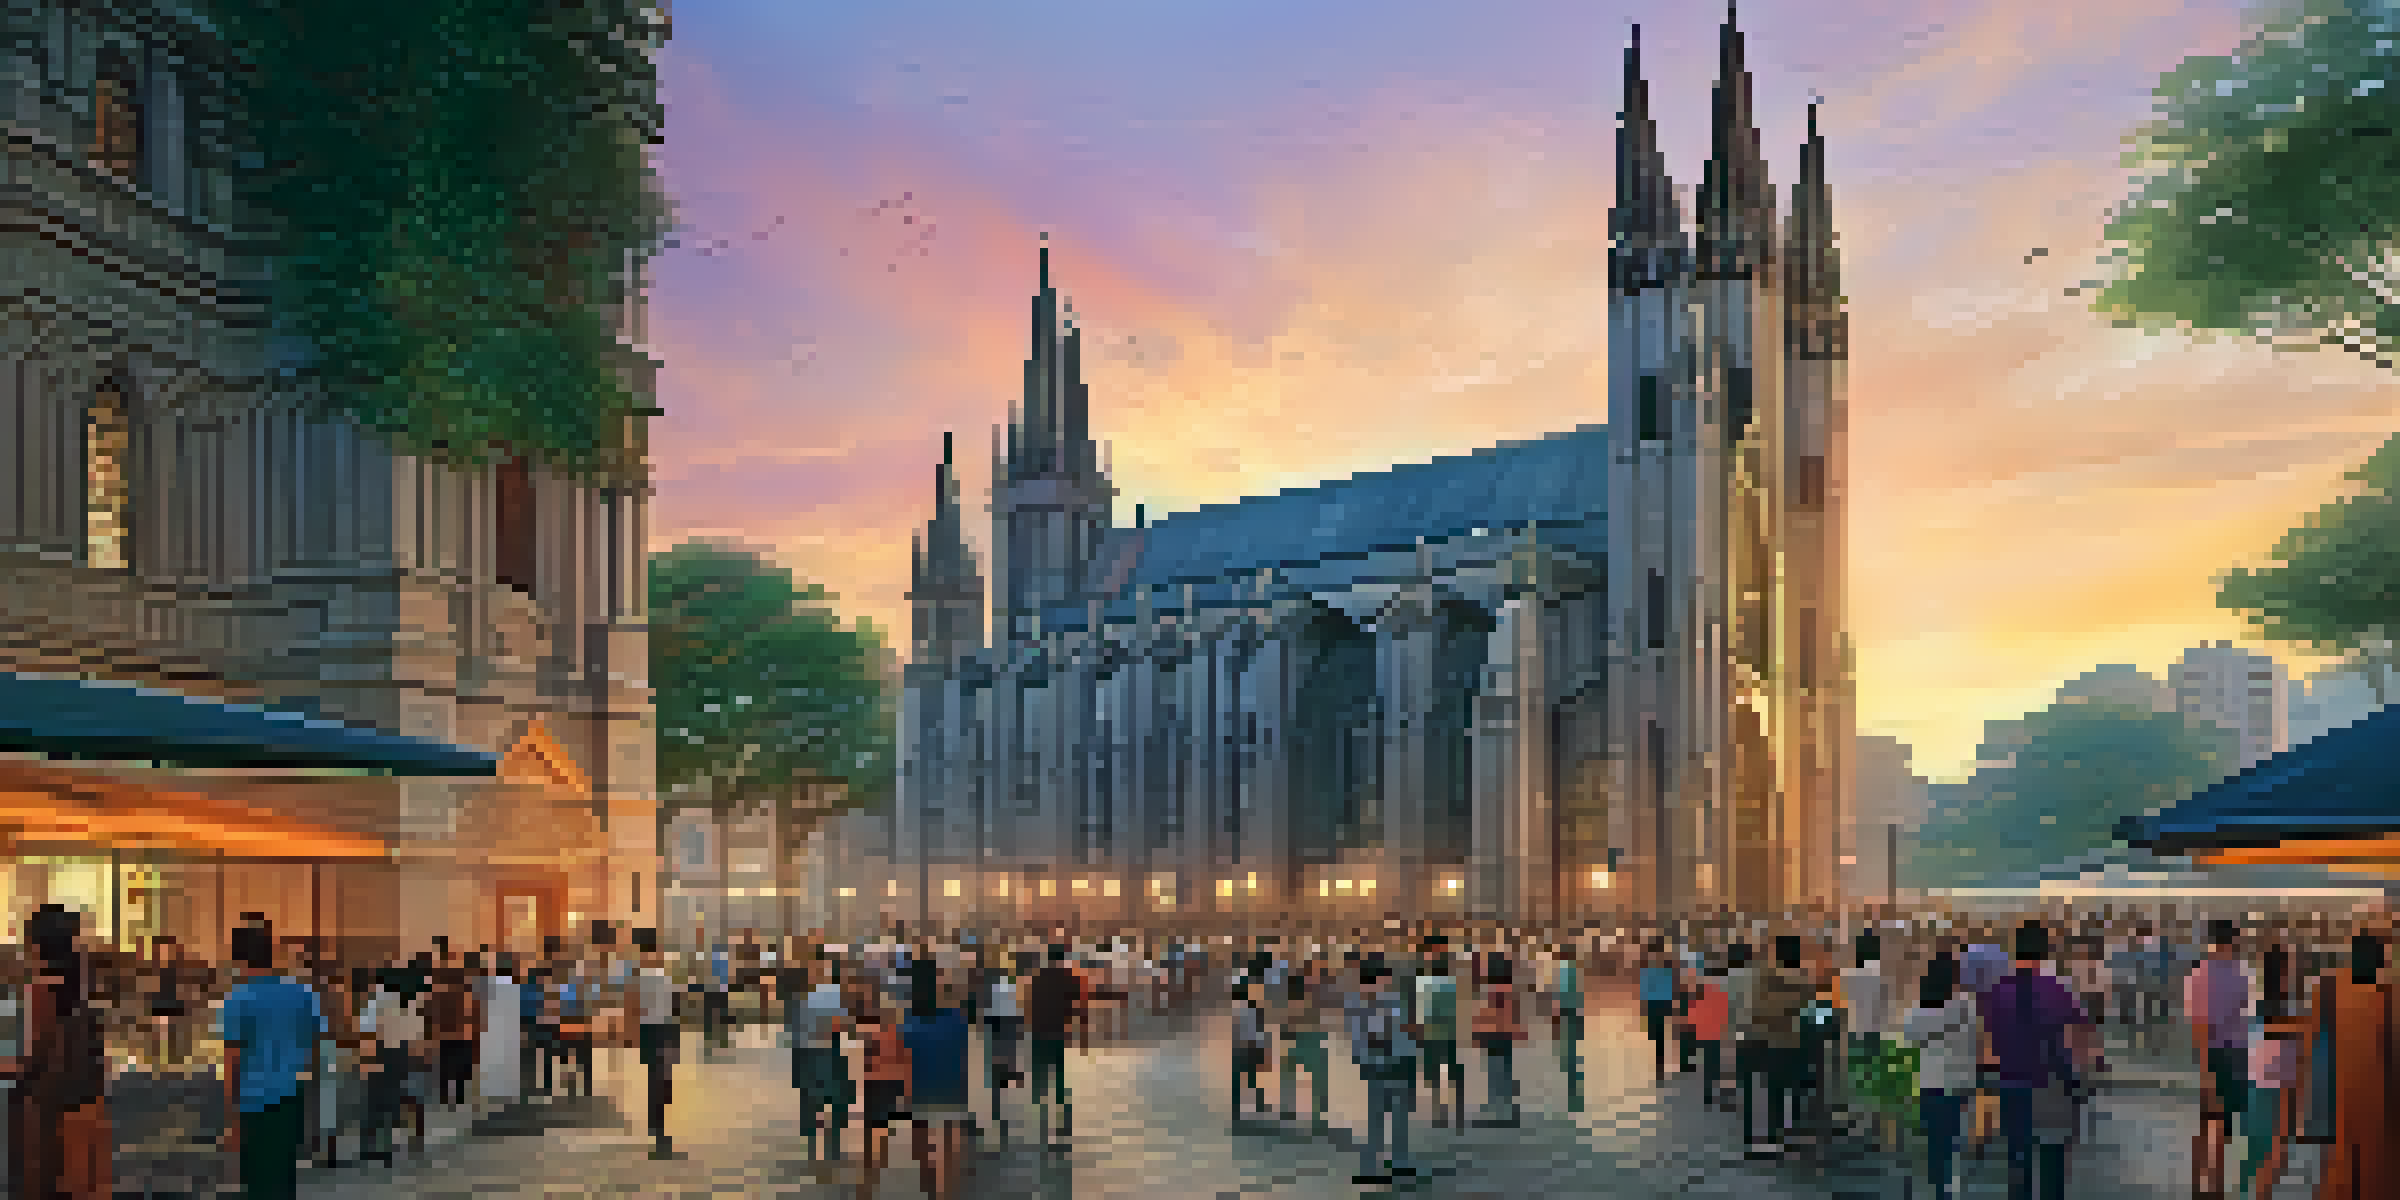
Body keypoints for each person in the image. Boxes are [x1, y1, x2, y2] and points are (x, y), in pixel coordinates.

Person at [0, 905, 110, 1199]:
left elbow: (31, 1062)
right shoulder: (83, 986)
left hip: (49, 1111)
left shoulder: (41, 991)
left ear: (38, 945)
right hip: (88, 1101)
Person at [1979, 919, 2091, 1200]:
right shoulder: (2059, 989)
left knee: (2018, 1163)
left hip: (2012, 1083)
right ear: (2045, 951)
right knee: (2052, 1163)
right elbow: (2079, 1039)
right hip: (2051, 1085)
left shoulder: (1996, 991)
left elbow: (1988, 1043)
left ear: (2015, 949)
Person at [217, 917, 326, 1200]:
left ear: (239, 959)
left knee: (258, 1184)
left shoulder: (237, 1000)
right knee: (285, 1180)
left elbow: (232, 1063)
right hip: (292, 1100)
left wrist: (231, 1120)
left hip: (254, 1107)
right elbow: (315, 1051)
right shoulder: (302, 994)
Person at [2283, 930, 2396, 1200]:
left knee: (2341, 1159)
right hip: (2372, 1095)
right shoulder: (2383, 997)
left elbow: (2311, 1035)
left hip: (2340, 1089)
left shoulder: (2334, 988)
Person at [2184, 919, 2252, 1197]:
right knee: (2223, 1127)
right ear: (2233, 940)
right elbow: (2241, 1012)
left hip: (2212, 1053)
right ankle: (2216, 1186)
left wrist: (2204, 1068)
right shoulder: (2239, 974)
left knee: (2206, 1122)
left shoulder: (2199, 973)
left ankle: (2199, 1184)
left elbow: (2198, 1025)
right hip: (2231, 1055)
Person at [1905, 952, 1979, 1200]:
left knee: (1935, 1144)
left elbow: (1910, 1037)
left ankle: (1940, 1188)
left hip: (1930, 1083)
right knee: (1953, 1141)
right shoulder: (1966, 1006)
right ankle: (1949, 1188)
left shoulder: (1919, 1011)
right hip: (1958, 1083)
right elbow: (1973, 1040)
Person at [901, 959, 973, 1193]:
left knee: (921, 1137)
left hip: (921, 1085)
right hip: (951, 1085)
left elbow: (905, 1058)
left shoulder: (909, 1020)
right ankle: (948, 1189)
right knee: (950, 1140)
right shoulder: (956, 1017)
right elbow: (963, 1052)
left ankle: (929, 1181)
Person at [1349, 960, 1419, 1183]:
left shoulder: (1395, 1003)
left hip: (1396, 1067)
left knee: (1397, 1121)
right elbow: (1359, 1044)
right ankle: (1373, 1168)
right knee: (1377, 1122)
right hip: (1379, 1070)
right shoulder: (1360, 1006)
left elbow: (1407, 1037)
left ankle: (1398, 1165)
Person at [1752, 935, 1815, 1155]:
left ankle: (1773, 1135)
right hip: (1797, 1044)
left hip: (1772, 1043)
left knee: (1774, 1092)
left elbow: (1757, 1013)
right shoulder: (1806, 983)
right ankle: (1792, 1133)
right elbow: (1811, 1015)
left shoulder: (1766, 980)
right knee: (1795, 1091)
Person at [1025, 943, 1086, 1138]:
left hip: (1038, 1030)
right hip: (1057, 1031)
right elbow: (1077, 1005)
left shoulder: (1038, 977)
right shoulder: (1067, 978)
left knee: (1039, 1074)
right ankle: (1063, 1118)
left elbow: (1029, 1004)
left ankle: (1039, 1115)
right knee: (1058, 1074)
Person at [632, 928, 679, 1159]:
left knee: (658, 1080)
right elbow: (671, 1008)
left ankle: (658, 1129)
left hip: (653, 1031)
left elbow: (636, 1008)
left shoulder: (642, 976)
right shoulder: (659, 976)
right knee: (660, 1081)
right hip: (660, 1031)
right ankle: (659, 1132)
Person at [1412, 942, 1464, 1129]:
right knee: (1441, 1074)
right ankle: (1447, 1111)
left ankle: (1446, 1111)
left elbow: (1424, 1010)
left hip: (1439, 1033)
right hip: (1439, 1033)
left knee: (1442, 1074)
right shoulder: (1439, 981)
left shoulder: (1432, 981)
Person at [1470, 953, 1526, 1124]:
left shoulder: (1494, 990)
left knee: (1496, 1073)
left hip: (1495, 1036)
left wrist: (1479, 1030)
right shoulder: (1507, 990)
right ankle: (1505, 1109)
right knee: (1503, 1073)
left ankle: (1501, 1110)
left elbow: (1491, 1015)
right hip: (1504, 1036)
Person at [858, 1003, 911, 1173]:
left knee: (875, 1125)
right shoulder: (899, 1035)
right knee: (880, 1125)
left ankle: (873, 1162)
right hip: (887, 1082)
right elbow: (906, 1062)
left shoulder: (876, 1034)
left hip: (878, 1083)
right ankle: (877, 1160)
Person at [1278, 960, 1332, 1128]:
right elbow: (1287, 1012)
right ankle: (1288, 1110)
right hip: (1296, 1036)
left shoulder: (1321, 991)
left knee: (1318, 1076)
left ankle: (1318, 1113)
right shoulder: (1295, 987)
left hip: (1312, 1037)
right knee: (1289, 1073)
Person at [982, 957, 1023, 1125]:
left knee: (1000, 1068)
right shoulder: (1001, 985)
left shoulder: (1004, 985)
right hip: (1002, 1026)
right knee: (1001, 1068)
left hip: (1002, 1026)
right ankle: (1000, 1109)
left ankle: (1000, 1109)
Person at [1689, 962, 1731, 1109]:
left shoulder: (1699, 992)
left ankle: (1708, 1093)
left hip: (1703, 1033)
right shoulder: (1721, 993)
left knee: (1709, 1064)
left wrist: (1694, 1028)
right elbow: (1724, 1015)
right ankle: (1715, 1092)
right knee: (1715, 1064)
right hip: (1715, 1034)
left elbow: (1692, 1012)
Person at [1230, 981, 1272, 1119]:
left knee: (1253, 1076)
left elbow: (1260, 1031)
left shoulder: (1255, 1010)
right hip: (1244, 1047)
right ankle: (1240, 1106)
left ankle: (1255, 1104)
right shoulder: (1243, 1009)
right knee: (1242, 1075)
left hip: (1251, 1047)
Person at [1639, 941, 1677, 1080]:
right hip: (1654, 1005)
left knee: (1659, 1036)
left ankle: (1659, 1066)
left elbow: (1670, 988)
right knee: (1654, 1035)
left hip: (1660, 1005)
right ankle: (1657, 1065)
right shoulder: (1649, 970)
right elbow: (1644, 990)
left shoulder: (1664, 969)